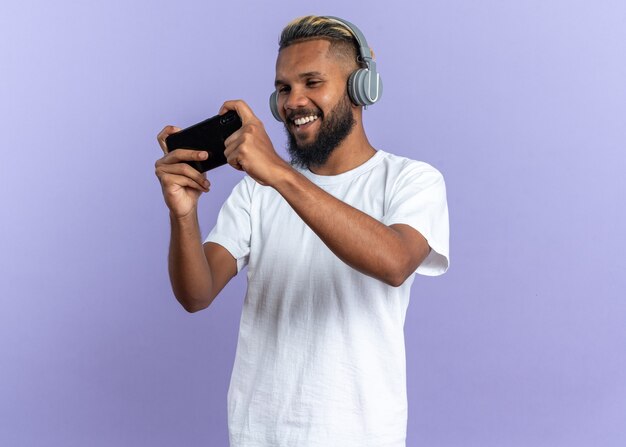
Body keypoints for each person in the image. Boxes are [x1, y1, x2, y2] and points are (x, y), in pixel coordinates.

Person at [155, 15, 449, 447]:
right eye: (283, 89)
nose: (293, 101)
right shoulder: (257, 193)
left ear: (360, 88)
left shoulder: (411, 180)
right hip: (258, 435)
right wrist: (182, 215)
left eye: (313, 82)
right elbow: (195, 295)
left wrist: (278, 172)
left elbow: (395, 262)